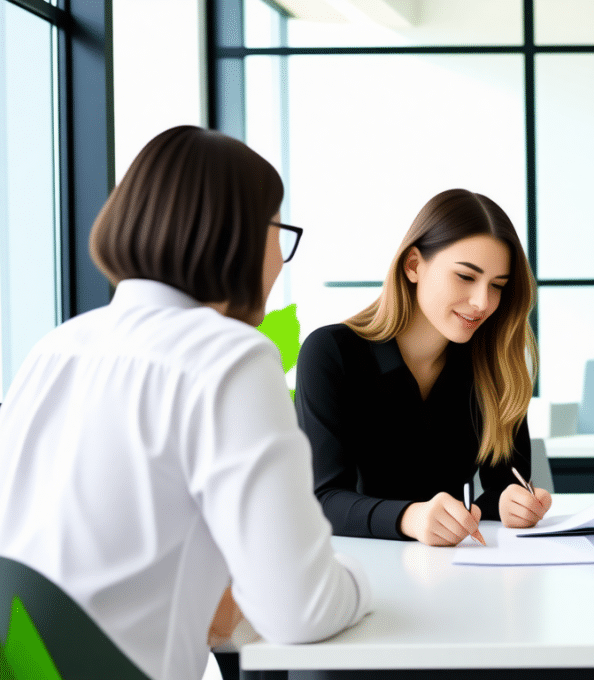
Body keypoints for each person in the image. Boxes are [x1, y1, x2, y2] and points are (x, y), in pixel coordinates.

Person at [0, 126, 372, 680]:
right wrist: (363, 584)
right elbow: (302, 609)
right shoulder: (228, 357)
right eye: (278, 230)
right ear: (239, 236)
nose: (281, 258)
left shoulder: (57, 347)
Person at [295, 188, 550, 546]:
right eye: (465, 276)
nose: (482, 302)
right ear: (414, 265)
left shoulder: (495, 364)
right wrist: (410, 518)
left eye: (497, 286)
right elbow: (321, 499)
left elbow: (504, 483)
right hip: (354, 569)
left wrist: (509, 502)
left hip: (456, 567)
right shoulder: (331, 353)